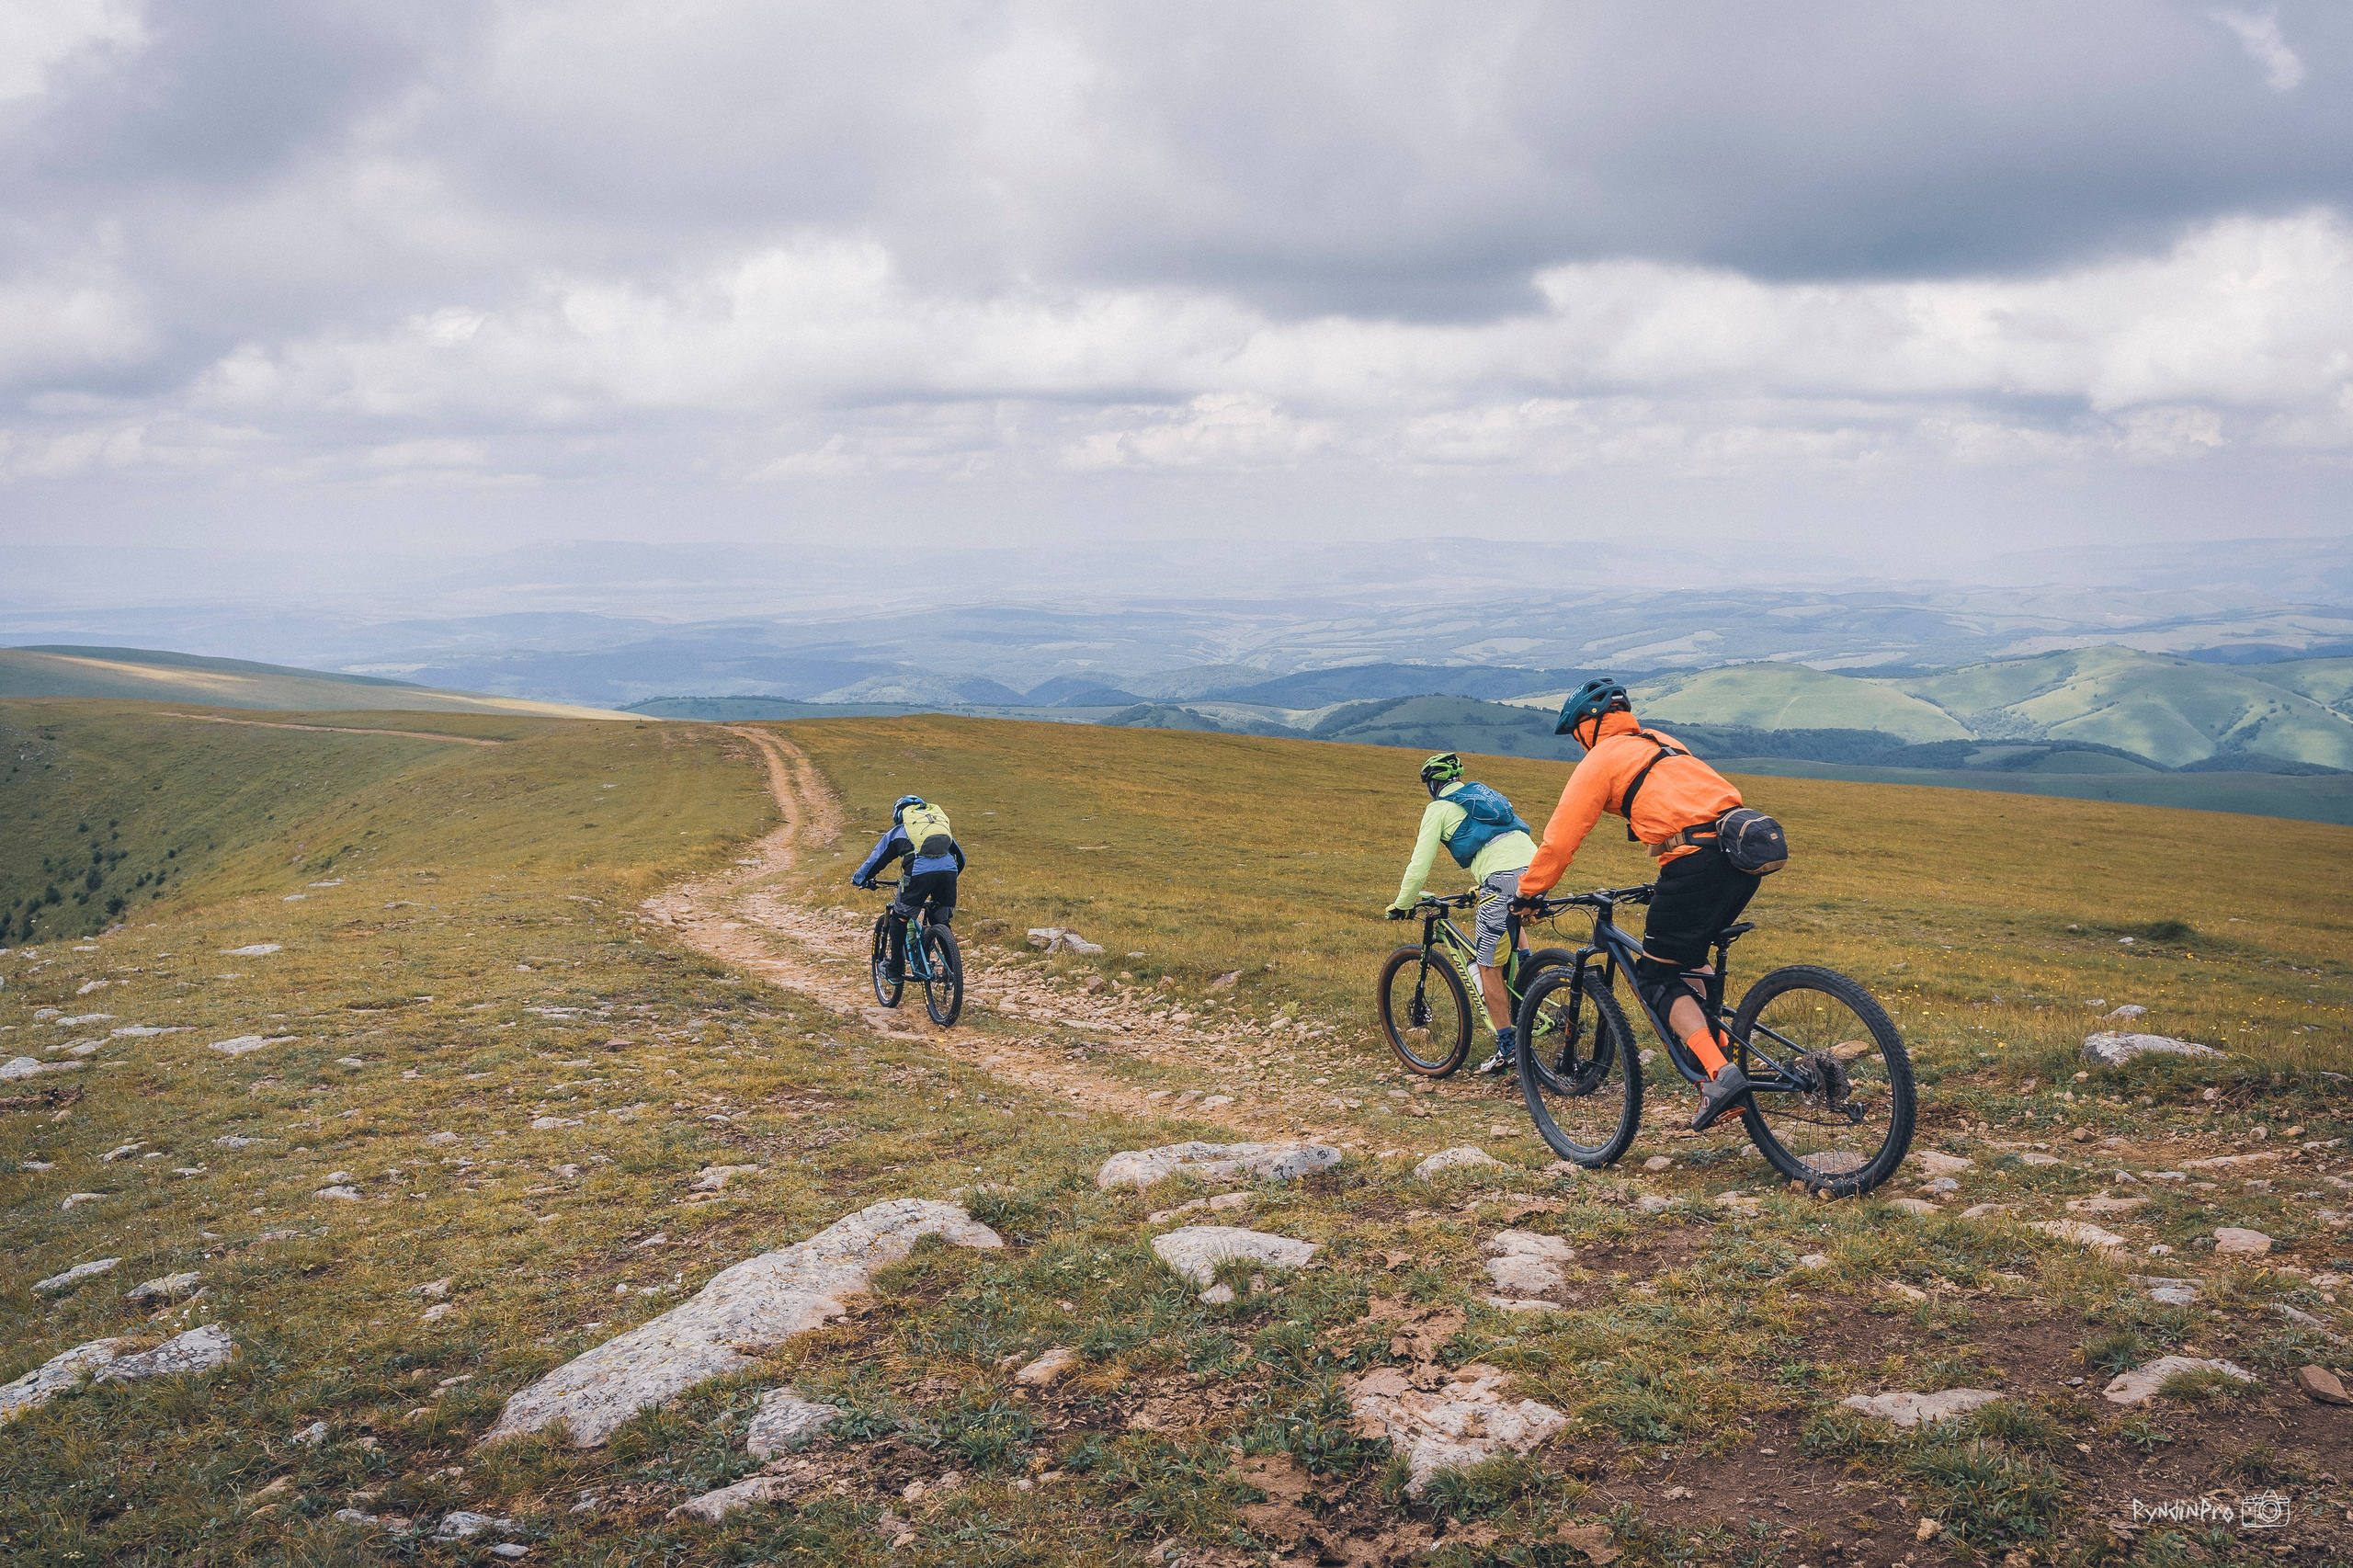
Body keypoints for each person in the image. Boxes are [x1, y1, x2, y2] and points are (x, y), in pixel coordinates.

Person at [1513, 679, 1768, 1130]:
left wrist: (1529, 894)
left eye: (1576, 735)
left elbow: (1560, 839)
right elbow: (1685, 806)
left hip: (1697, 862)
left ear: (1588, 727)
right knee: (1690, 960)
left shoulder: (1602, 758)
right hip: (1741, 856)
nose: (1578, 746)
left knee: (1655, 975)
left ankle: (1720, 1074)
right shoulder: (1661, 742)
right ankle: (1719, 1063)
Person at [1386, 753, 1538, 1076]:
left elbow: (1418, 867)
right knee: (1508, 912)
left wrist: (1402, 904)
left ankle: (1508, 1048)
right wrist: (1480, 889)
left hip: (1500, 878)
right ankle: (1531, 974)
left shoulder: (1438, 808)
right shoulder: (1484, 795)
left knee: (1487, 967)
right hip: (1536, 869)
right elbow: (1504, 844)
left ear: (1433, 784)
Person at [851, 794, 966, 981]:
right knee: (941, 920)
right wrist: (948, 878)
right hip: (948, 874)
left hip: (918, 875)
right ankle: (952, 972)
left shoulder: (900, 831)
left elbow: (877, 859)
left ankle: (895, 970)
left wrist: (860, 879)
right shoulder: (937, 828)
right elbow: (961, 859)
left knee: (900, 917)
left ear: (898, 814)